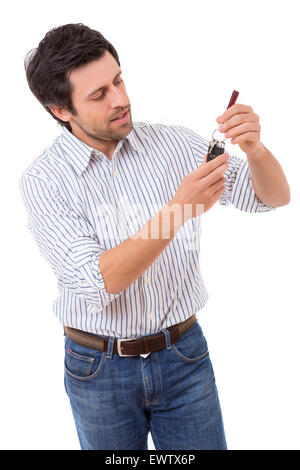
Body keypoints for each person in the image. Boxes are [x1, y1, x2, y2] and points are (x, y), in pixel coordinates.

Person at [19, 23, 290, 450]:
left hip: (183, 356)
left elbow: (270, 197)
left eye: (118, 80)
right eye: (99, 94)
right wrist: (180, 210)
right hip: (98, 368)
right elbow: (100, 281)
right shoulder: (44, 182)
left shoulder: (172, 144)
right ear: (60, 110)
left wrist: (255, 150)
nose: (120, 99)